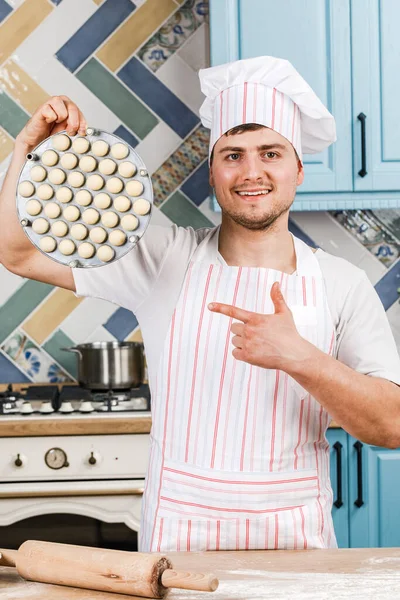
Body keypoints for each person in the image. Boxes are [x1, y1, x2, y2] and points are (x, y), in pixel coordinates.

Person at [1, 56, 399, 553]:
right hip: (178, 546)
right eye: (232, 155)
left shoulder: (344, 283)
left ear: (298, 168)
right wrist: (27, 151)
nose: (251, 171)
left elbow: (391, 426)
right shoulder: (160, 258)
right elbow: (16, 253)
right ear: (212, 172)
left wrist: (300, 356)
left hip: (297, 544)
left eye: (270, 152)